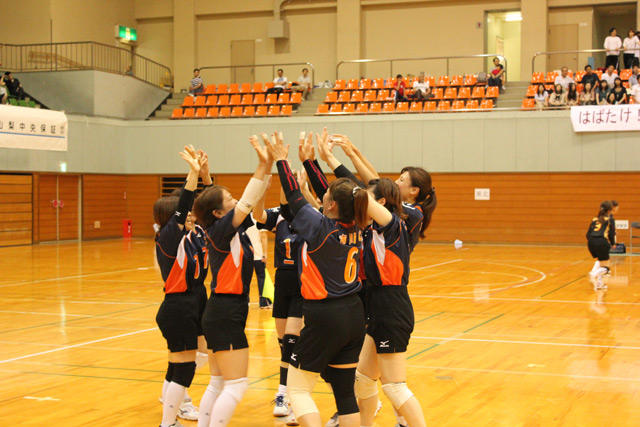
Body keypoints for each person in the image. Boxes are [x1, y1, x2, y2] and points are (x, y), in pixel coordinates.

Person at [264, 130, 369, 427]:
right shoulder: (356, 223)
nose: (323, 196)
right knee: (345, 395)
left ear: (331, 205)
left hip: (325, 315)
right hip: (354, 314)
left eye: (327, 197)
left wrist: (282, 161)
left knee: (297, 389)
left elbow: (295, 197)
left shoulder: (321, 229)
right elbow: (335, 194)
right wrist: (310, 163)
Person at [192, 136, 272, 427]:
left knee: (218, 383)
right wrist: (262, 165)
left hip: (223, 310)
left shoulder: (227, 226)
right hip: (225, 312)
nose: (236, 201)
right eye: (230, 200)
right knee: (236, 385)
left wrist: (206, 178)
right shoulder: (221, 230)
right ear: (219, 213)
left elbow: (249, 203)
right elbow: (247, 199)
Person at [154, 146, 211, 427]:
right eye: (185, 213)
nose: (190, 215)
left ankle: (170, 393)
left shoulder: (196, 233)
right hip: (179, 304)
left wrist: (206, 177)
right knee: (184, 367)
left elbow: (211, 209)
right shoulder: (168, 237)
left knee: (199, 355)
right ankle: (173, 414)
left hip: (197, 298)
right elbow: (185, 203)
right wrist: (192, 173)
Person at [587, 201, 614, 290]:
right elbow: (611, 234)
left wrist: (593, 242)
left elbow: (587, 234)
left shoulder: (594, 219)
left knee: (600, 263)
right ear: (609, 210)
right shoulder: (610, 219)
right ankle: (594, 273)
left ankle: (599, 284)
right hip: (601, 241)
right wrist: (613, 244)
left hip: (591, 242)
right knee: (606, 267)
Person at [245, 221, 272, 309]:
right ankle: (263, 302)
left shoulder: (243, 218)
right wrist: (265, 254)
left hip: (246, 254)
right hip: (258, 254)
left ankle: (245, 301)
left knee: (245, 278)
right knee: (261, 277)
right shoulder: (260, 219)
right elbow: (263, 236)